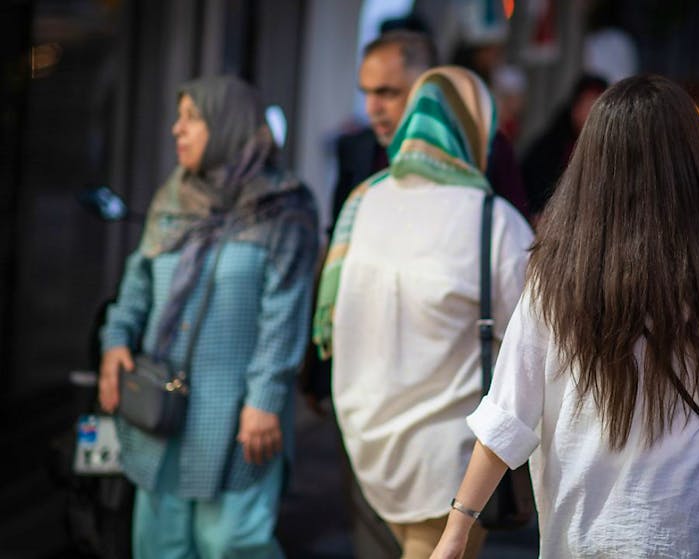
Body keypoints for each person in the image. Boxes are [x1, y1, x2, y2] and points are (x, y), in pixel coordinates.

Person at [430, 74, 699, 559]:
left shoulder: (554, 275)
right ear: (695, 165)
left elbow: (506, 417)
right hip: (686, 541)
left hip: (576, 543)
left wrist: (455, 532)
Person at [312, 66, 534, 559]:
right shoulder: (493, 221)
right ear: (476, 129)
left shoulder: (362, 203)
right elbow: (538, 341)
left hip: (365, 443)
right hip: (449, 464)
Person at [98, 75, 318, 558]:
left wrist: (264, 400)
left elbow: (285, 315)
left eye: (191, 119)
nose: (177, 130)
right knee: (161, 545)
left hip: (239, 413)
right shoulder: (172, 198)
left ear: (228, 125)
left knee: (233, 543)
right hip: (162, 407)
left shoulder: (284, 209)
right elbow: (138, 282)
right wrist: (115, 342)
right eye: (179, 118)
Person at [330, 30, 529, 234]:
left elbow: (515, 235)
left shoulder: (487, 147)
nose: (371, 108)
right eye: (366, 92)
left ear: (429, 90)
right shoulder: (358, 150)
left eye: (387, 93)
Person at [521, 74, 608, 217]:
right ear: (575, 108)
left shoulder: (613, 151)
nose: (590, 116)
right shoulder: (550, 148)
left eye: (596, 108)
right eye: (586, 106)